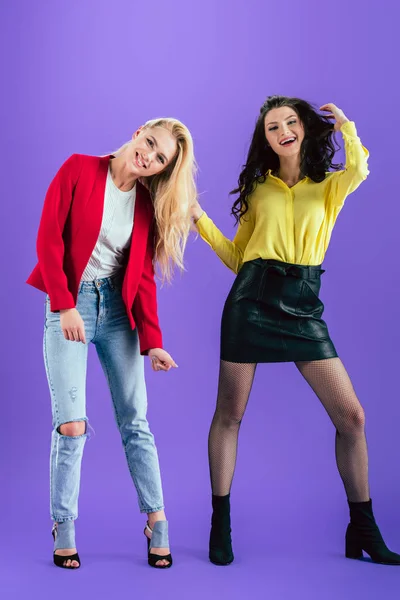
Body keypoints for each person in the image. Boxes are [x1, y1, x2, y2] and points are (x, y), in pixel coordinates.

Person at [190, 96, 400, 566]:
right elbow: (238, 257)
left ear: (304, 128)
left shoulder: (328, 186)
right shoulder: (257, 188)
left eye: (290, 122)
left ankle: (363, 530)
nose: (282, 130)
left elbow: (360, 169)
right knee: (230, 413)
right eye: (272, 126)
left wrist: (347, 126)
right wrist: (198, 220)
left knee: (353, 418)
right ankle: (219, 525)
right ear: (264, 138)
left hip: (304, 306)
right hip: (251, 298)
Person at [27, 117, 197, 569]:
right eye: (151, 144)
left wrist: (153, 341)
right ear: (140, 130)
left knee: (135, 421)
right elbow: (48, 239)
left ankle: (157, 522)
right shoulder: (78, 169)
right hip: (71, 301)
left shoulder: (145, 205)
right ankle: (64, 525)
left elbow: (141, 276)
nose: (149, 157)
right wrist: (63, 304)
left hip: (118, 313)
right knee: (72, 425)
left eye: (160, 159)